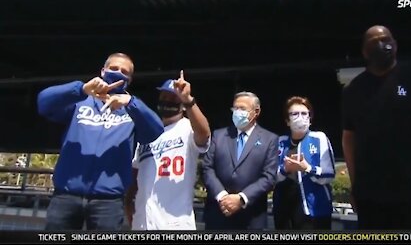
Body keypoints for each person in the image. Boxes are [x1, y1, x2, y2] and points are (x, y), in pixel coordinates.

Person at [342, 25, 411, 229]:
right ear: (364, 51)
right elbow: (349, 138)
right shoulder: (354, 90)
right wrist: (355, 186)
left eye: (385, 39)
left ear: (395, 45)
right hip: (372, 197)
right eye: (373, 41)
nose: (381, 44)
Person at [37, 53, 164, 230]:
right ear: (103, 71)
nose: (118, 73)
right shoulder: (80, 102)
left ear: (130, 79)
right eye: (113, 68)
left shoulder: (132, 110)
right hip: (66, 196)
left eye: (124, 71)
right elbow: (43, 102)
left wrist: (130, 102)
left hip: (108, 202)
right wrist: (80, 89)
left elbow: (156, 130)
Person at [125, 71, 211, 230]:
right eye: (164, 97)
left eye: (173, 99)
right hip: (143, 222)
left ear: (182, 105)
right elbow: (133, 179)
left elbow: (204, 135)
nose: (167, 101)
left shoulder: (187, 128)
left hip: (175, 222)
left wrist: (189, 101)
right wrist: (128, 209)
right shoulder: (147, 131)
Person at [202, 91, 278, 230]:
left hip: (251, 217)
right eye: (235, 108)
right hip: (218, 215)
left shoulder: (270, 140)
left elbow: (269, 177)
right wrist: (222, 196)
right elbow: (207, 168)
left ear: (256, 112)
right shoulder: (219, 136)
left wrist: (241, 198)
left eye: (242, 109)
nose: (237, 112)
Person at [273, 96, 335, 230]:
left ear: (310, 118)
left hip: (315, 209)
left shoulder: (319, 138)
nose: (300, 117)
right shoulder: (280, 142)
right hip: (284, 210)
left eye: (304, 113)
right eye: (294, 114)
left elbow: (329, 174)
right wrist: (285, 169)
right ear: (287, 121)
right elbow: (270, 177)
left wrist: (307, 168)